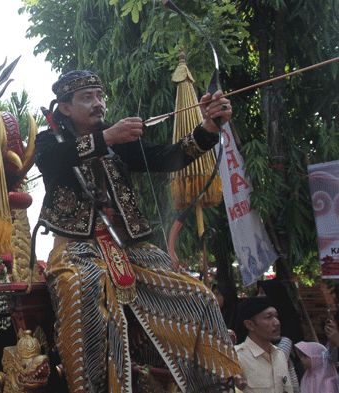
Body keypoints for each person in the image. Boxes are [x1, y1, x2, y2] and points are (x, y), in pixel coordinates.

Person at [34, 69, 241, 392]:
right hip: (77, 248)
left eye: (100, 96)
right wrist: (109, 137)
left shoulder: (119, 143)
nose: (98, 103)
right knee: (80, 286)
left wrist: (209, 128)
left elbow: (167, 157)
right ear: (64, 108)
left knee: (198, 295)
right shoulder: (50, 140)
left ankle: (215, 383)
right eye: (87, 97)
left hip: (131, 249)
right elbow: (55, 160)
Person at [234, 296, 293, 392]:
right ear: (250, 325)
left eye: (276, 316)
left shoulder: (280, 355)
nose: (277, 323)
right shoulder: (237, 357)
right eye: (268, 317)